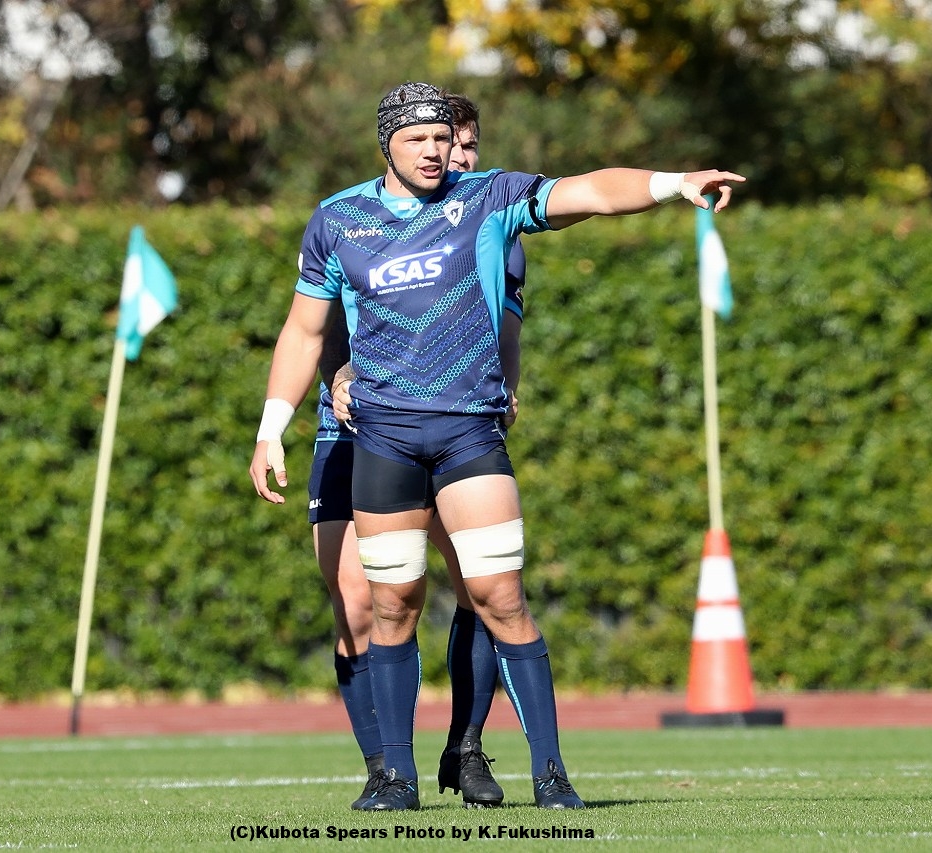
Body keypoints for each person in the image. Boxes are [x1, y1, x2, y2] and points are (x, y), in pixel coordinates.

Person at [250, 80, 744, 811]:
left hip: (467, 431)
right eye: (418, 139)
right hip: (378, 436)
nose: (435, 151)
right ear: (386, 143)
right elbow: (304, 330)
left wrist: (674, 183)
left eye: (443, 138)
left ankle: (548, 773)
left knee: (500, 596)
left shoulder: (488, 198)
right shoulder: (338, 219)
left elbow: (588, 192)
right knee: (388, 606)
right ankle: (393, 778)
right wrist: (271, 427)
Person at [272, 91, 522, 811]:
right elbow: (321, 323)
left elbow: (505, 328)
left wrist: (506, 390)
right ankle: (386, 768)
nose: (453, 159)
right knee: (357, 602)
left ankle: (465, 748)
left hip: (450, 423)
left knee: (483, 587)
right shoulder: (351, 218)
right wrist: (336, 377)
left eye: (465, 147)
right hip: (352, 427)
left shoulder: (491, 220)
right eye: (442, 143)